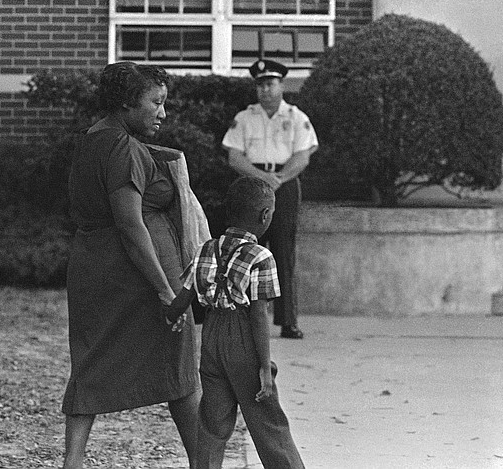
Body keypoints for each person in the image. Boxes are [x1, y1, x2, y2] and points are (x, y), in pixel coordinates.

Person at [62, 61, 209, 469]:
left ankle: (71, 462)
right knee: (179, 368)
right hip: (136, 276)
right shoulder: (123, 148)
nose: (163, 113)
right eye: (156, 102)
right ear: (128, 102)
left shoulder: (92, 138)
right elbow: (131, 224)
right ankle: (204, 462)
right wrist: (165, 290)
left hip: (93, 267)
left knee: (89, 363)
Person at [163, 176, 305, 469]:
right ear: (265, 215)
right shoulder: (261, 256)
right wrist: (265, 367)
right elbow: (257, 315)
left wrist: (171, 316)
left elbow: (183, 297)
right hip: (243, 342)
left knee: (212, 425)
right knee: (268, 424)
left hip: (212, 340)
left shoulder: (206, 249)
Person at [221, 59, 318, 339]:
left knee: (283, 250)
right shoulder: (245, 117)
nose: (265, 90)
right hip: (252, 184)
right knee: (246, 251)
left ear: (282, 85)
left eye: (270, 84)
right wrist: (262, 178)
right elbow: (235, 156)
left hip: (284, 185)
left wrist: (279, 179)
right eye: (260, 85)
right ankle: (241, 317)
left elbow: (303, 155)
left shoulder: (297, 117)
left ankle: (288, 321)